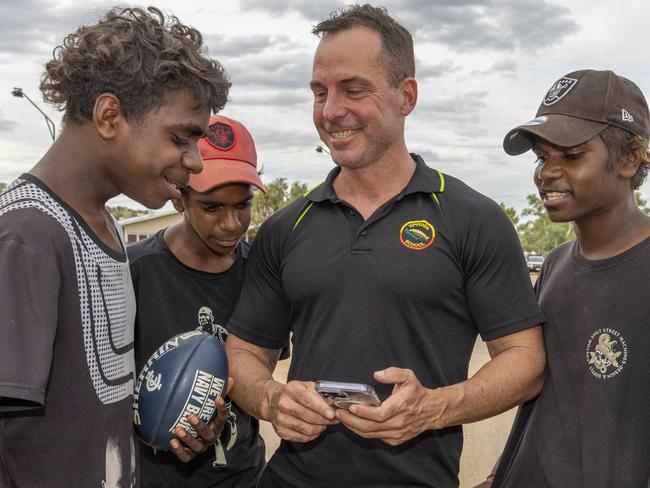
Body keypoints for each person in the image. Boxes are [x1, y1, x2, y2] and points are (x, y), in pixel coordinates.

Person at [224, 4, 546, 487]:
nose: (331, 111)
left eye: (353, 89)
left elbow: (526, 360)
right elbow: (244, 353)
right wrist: (271, 399)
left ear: (406, 95)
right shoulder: (287, 226)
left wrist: (433, 408)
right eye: (319, 93)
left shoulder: (472, 218)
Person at [0, 7, 230, 487]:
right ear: (109, 116)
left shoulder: (106, 223)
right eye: (181, 137)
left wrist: (166, 418)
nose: (193, 161)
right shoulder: (28, 235)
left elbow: (81, 408)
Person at [487, 69, 650, 487]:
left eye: (572, 156)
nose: (546, 172)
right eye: (542, 157)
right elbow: (552, 405)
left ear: (630, 159)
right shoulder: (557, 264)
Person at [128, 114, 267, 488]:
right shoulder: (136, 270)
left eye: (243, 204)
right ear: (179, 197)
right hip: (153, 477)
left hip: (242, 476)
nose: (232, 223)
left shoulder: (260, 272)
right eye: (212, 206)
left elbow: (261, 373)